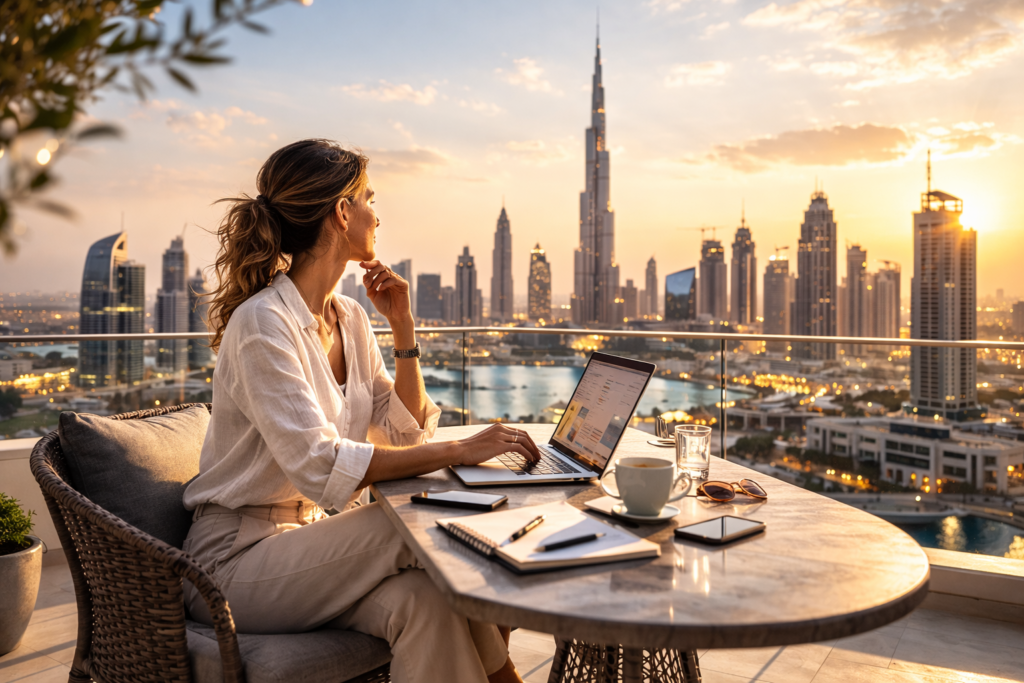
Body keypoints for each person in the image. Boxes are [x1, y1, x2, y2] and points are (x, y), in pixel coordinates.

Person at [182, 139, 542, 683]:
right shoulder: (263, 324)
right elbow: (322, 464)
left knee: (427, 602)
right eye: (368, 198)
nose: (378, 212)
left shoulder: (349, 316)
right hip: (233, 563)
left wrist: (403, 329)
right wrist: (464, 448)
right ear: (342, 213)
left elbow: (404, 436)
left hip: (309, 547)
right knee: (416, 523)